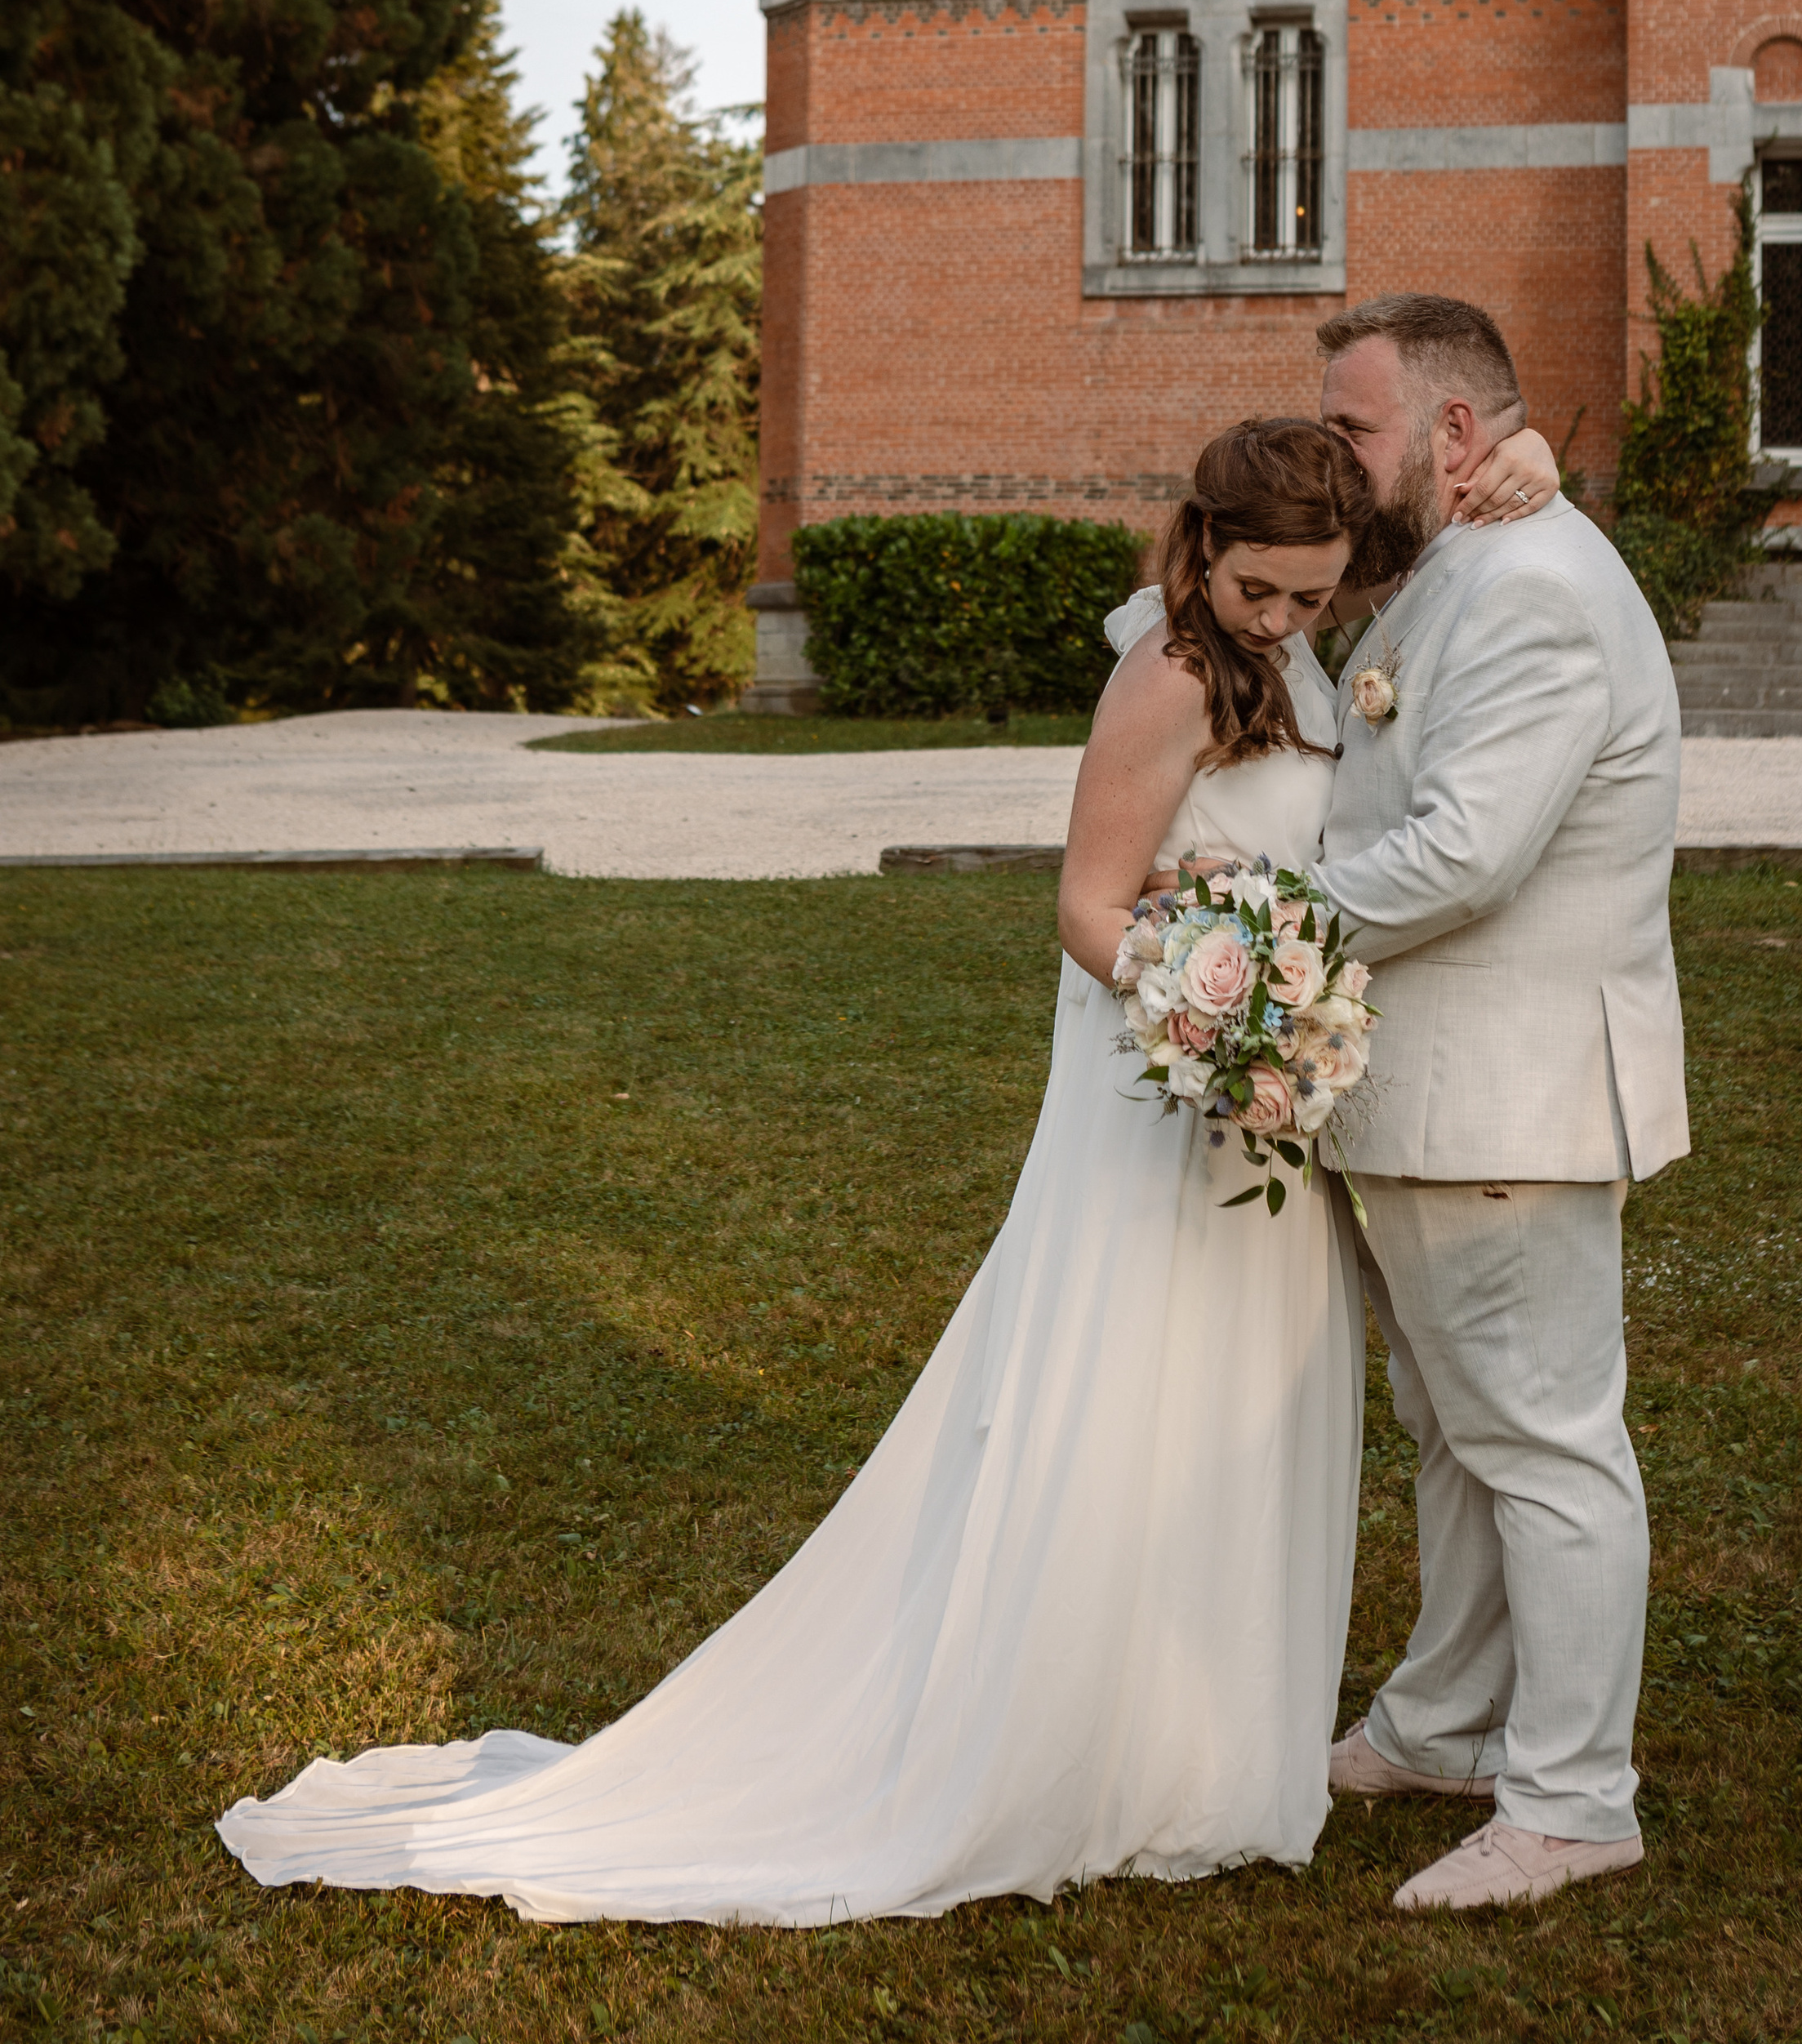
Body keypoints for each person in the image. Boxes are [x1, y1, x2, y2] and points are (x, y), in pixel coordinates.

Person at [216, 407, 1557, 1925]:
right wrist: (1222, 1016)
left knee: (1243, 1413)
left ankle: (1204, 1752)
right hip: (1163, 1103)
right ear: (1205, 548)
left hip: (1257, 1117)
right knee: (1125, 1401)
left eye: (1317, 598)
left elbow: (1450, 541)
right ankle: (1070, 1749)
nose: (1293, 620)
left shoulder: (1295, 654)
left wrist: (1536, 469)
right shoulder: (1171, 673)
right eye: (1266, 591)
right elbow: (1088, 907)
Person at [1309, 292, 1690, 1914]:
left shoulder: (1529, 584)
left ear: (1453, 436)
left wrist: (1256, 918)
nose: (1334, 465)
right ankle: (1446, 1722)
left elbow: (1467, 851)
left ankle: (1571, 1798)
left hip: (1505, 1101)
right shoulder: (1472, 555)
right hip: (1440, 1097)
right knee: (1460, 1438)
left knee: (1539, 1445)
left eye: (1354, 431)